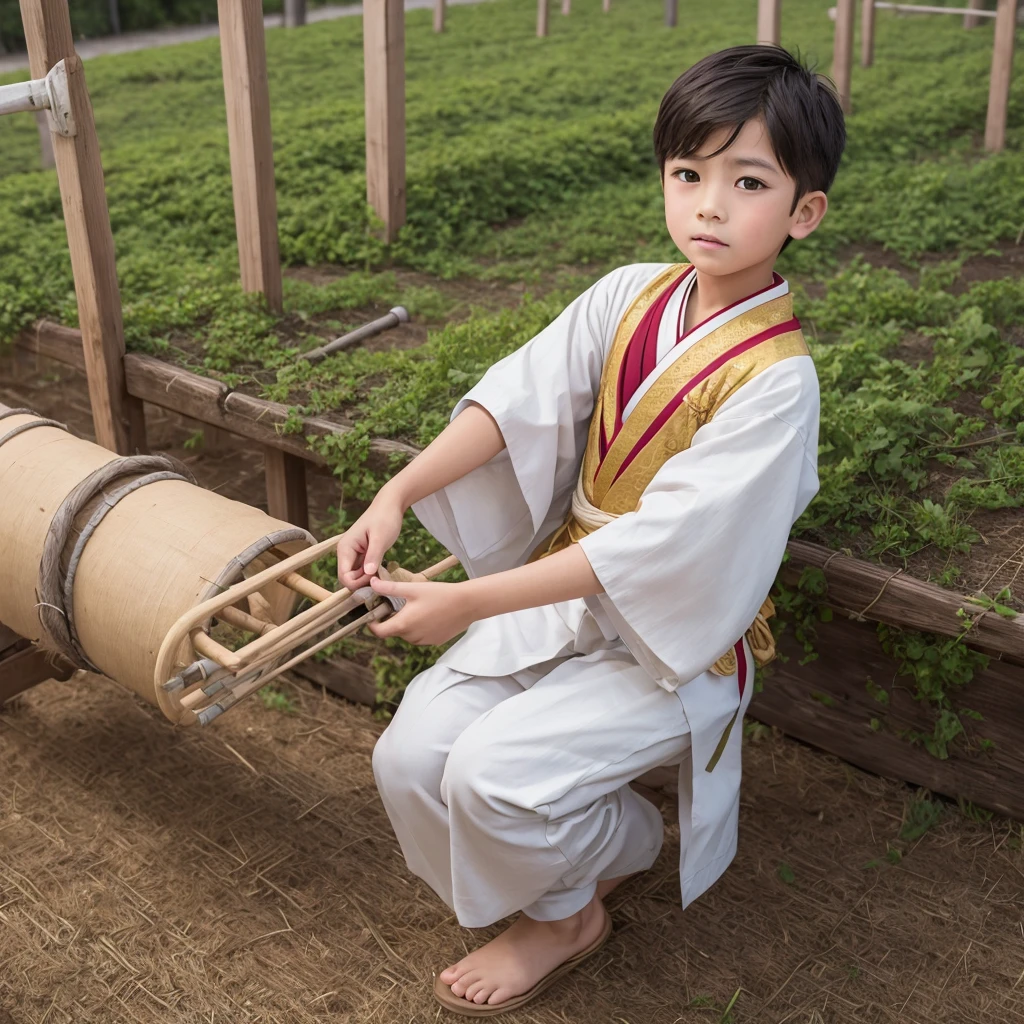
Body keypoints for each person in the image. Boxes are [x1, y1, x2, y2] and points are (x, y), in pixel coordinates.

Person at [337, 44, 846, 1016]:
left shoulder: (778, 383)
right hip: (560, 592)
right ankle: (593, 848)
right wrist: (394, 493)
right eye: (687, 173)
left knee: (490, 776)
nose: (707, 204)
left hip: (681, 635)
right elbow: (514, 406)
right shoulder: (628, 295)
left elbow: (655, 553)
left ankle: (575, 903)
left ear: (802, 212)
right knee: (407, 760)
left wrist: (466, 600)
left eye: (747, 182)